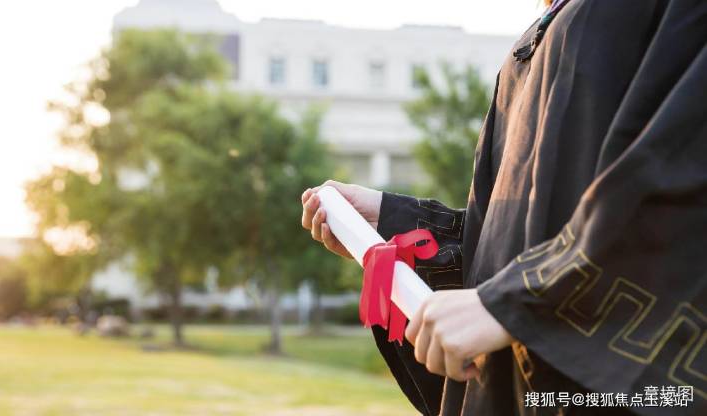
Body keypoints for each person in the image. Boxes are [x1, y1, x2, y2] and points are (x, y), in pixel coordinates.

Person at [301, 0, 706, 415]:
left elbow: (682, 186)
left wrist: (519, 298)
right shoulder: (549, 20)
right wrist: (394, 222)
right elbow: (508, 241)